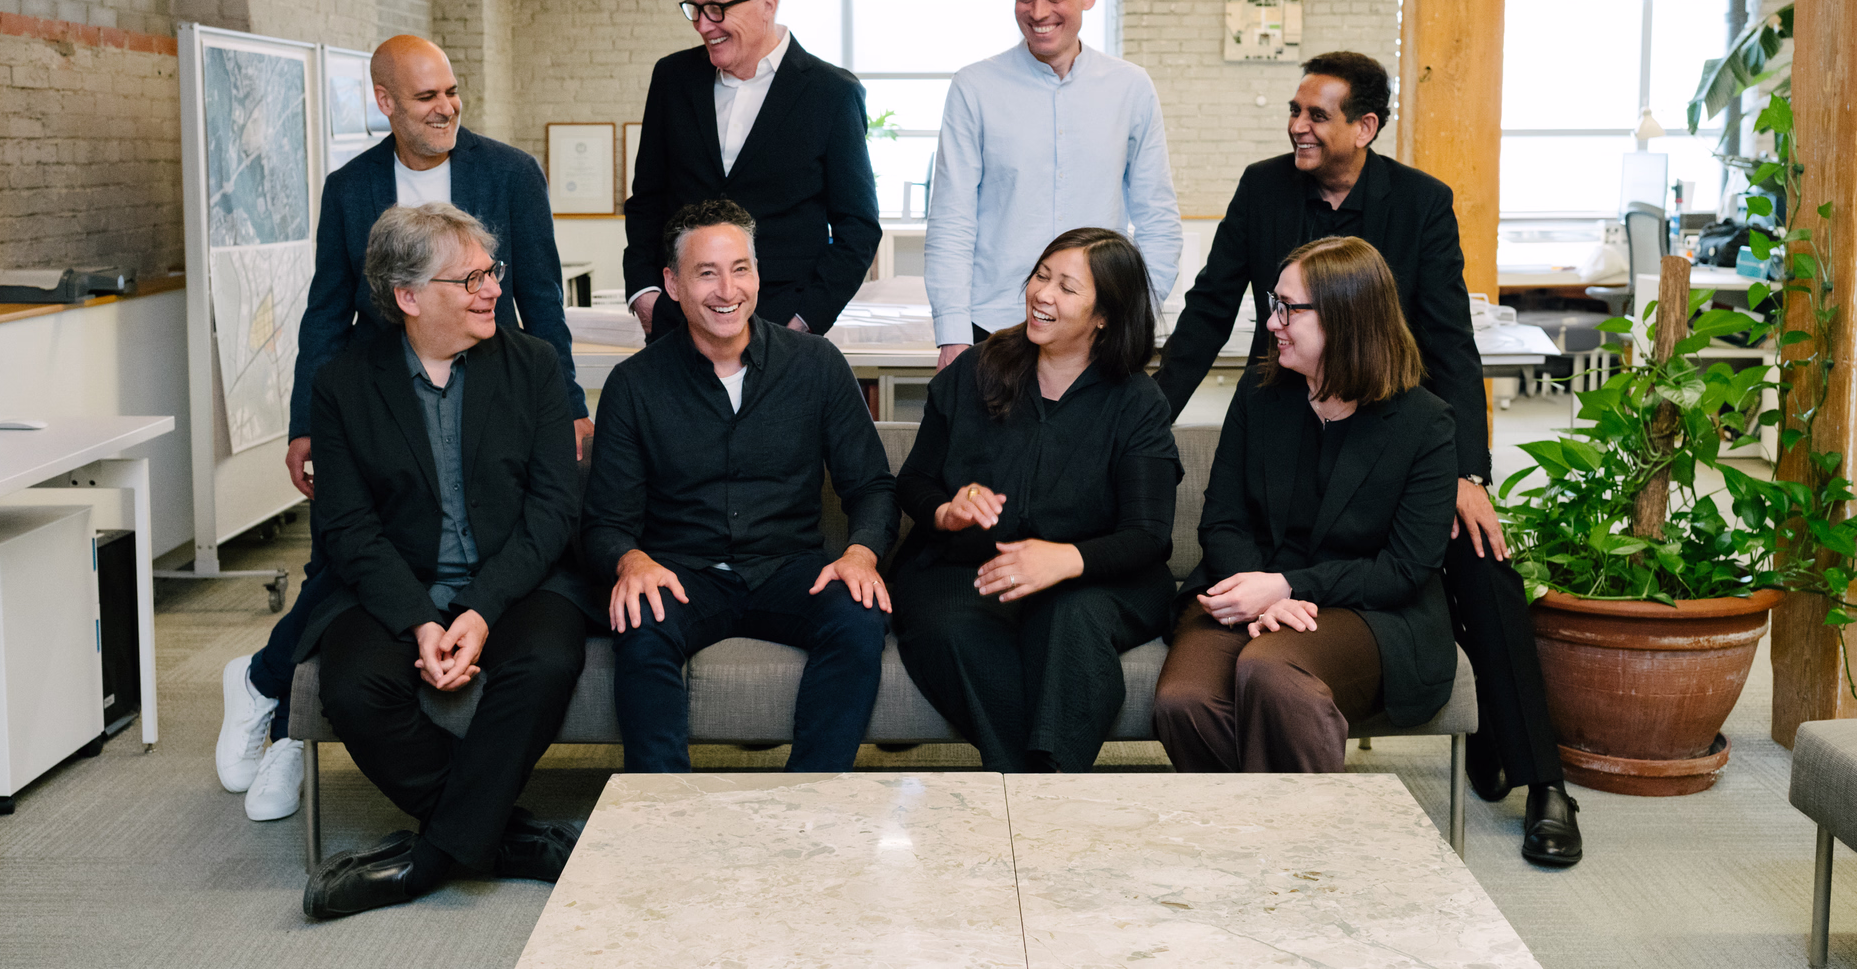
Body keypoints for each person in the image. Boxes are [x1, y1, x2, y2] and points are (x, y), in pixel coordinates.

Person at [1150, 50, 1582, 867]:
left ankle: (1538, 777)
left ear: (1365, 126)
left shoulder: (1418, 203)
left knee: (1484, 562)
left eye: (1317, 115)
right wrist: (1139, 423)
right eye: (1294, 110)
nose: (1296, 127)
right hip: (1290, 405)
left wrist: (1467, 472)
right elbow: (1208, 311)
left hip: (1399, 422)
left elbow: (1449, 341)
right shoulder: (1264, 187)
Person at [215, 34, 587, 824]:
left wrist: (571, 401)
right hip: (379, 395)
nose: (447, 106)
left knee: (411, 555)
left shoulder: (510, 173)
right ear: (384, 102)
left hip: (486, 380)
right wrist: (306, 422)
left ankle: (273, 694)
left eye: (453, 91)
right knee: (342, 564)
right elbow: (325, 309)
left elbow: (543, 298)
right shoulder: (351, 187)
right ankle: (283, 713)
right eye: (427, 96)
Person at [296, 203, 594, 919]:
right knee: (354, 687)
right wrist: (421, 622)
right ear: (408, 296)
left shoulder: (533, 365)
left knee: (547, 660)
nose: (492, 288)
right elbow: (348, 527)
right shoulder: (343, 384)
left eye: (490, 272)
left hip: (517, 582)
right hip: (396, 585)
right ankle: (506, 838)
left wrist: (482, 610)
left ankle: (427, 860)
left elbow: (553, 510)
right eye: (469, 279)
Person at [584, 199, 897, 772]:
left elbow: (873, 485)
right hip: (683, 572)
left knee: (858, 617)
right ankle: (662, 811)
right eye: (706, 273)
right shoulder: (634, 384)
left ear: (758, 273)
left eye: (741, 269)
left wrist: (860, 552)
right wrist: (630, 561)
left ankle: (812, 800)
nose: (727, 289)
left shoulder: (816, 364)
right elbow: (606, 518)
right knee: (640, 622)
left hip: (788, 568)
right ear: (672, 285)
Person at [1152, 236, 1457, 775]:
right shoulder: (1260, 393)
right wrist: (1262, 593)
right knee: (1183, 701)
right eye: (1275, 305)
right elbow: (1222, 519)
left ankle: (1308, 853)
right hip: (1249, 587)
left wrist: (1290, 587)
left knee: (1270, 673)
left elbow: (1405, 569)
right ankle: (1253, 840)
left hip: (1369, 612)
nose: (1273, 323)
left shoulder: (1424, 424)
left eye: (1288, 309)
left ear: (1346, 318)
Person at [891, 228, 1180, 773]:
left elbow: (1148, 533)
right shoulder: (974, 370)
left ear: (1105, 317)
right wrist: (946, 510)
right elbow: (913, 481)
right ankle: (1037, 788)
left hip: (1095, 574)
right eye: (1042, 276)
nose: (1042, 294)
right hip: (965, 564)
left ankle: (1037, 789)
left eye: (1067, 287)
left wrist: (1064, 559)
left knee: (1069, 623)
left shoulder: (1137, 402)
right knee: (950, 630)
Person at [925, 0, 1181, 368]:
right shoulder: (974, 87)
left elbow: (1157, 219)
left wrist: (1131, 315)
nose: (1038, 11)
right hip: (994, 328)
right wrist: (951, 333)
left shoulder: (1130, 88)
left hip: (1094, 333)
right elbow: (952, 219)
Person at [623, 0, 880, 343]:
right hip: (678, 325)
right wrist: (645, 294)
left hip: (782, 327)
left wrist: (804, 320)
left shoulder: (831, 93)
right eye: (694, 8)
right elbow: (646, 200)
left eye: (716, 9)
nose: (704, 26)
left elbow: (858, 227)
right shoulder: (672, 79)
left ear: (767, 4)